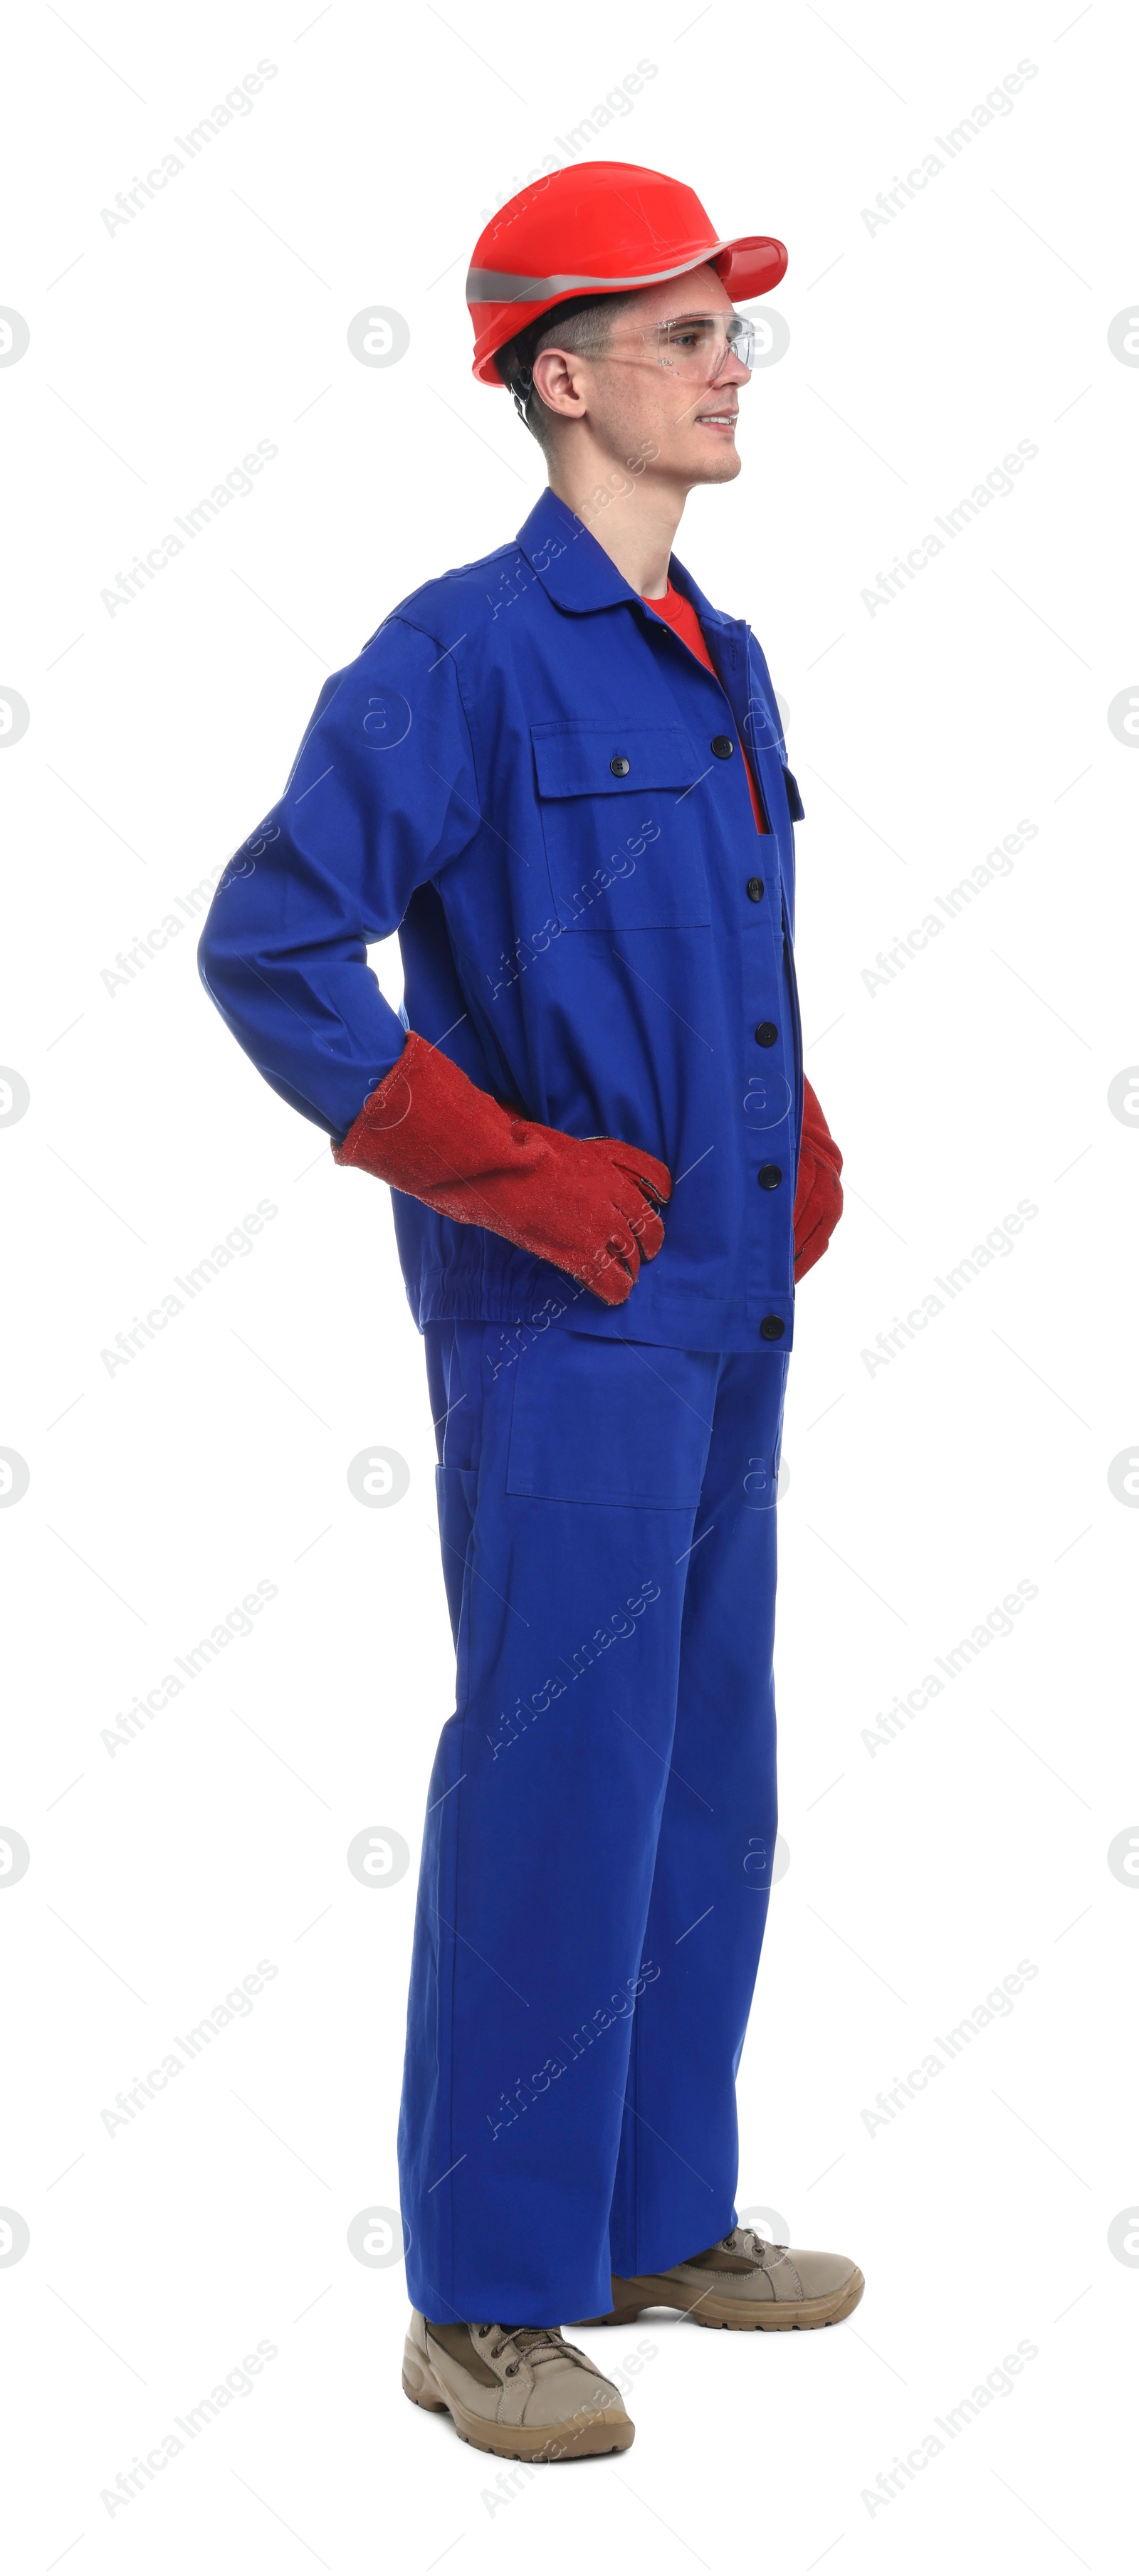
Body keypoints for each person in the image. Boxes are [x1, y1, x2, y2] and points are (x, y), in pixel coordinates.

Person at [199, 159, 856, 2466]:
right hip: (556, 1315)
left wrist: (804, 1128)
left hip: (720, 1295)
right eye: (687, 334)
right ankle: (486, 2294)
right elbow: (271, 946)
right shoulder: (458, 654)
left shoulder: (719, 652)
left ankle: (654, 2214)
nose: (727, 364)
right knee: (558, 1777)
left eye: (732, 329)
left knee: (706, 1772)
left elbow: (711, 947)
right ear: (559, 377)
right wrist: (514, 1170)